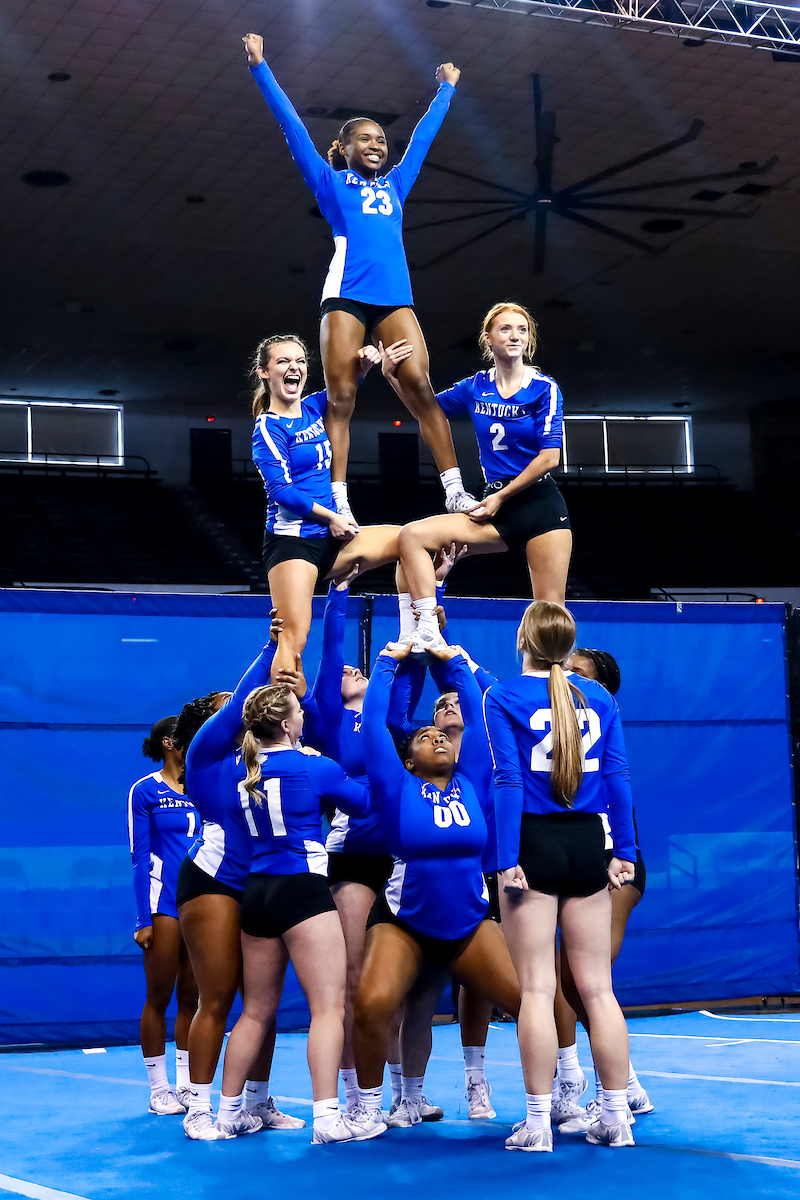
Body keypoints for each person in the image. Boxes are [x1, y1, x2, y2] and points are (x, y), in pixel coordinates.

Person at [242, 32, 474, 520]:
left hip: (394, 297)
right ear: (343, 147)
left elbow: (423, 139)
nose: (377, 144)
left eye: (381, 140)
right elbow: (291, 126)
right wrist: (261, 67)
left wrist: (446, 89)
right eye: (365, 138)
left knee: (420, 386)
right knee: (342, 395)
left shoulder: (396, 183)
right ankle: (340, 498)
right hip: (345, 295)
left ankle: (454, 490)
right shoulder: (329, 182)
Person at [483, 601, 637, 1151]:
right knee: (599, 989)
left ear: (523, 639)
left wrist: (504, 861)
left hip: (532, 841)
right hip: (586, 842)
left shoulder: (501, 695)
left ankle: (539, 1121)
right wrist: (625, 849)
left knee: (537, 989)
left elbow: (507, 782)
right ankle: (616, 1117)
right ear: (569, 648)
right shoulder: (598, 696)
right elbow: (617, 775)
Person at [352, 643, 521, 1135]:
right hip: (404, 922)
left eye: (443, 736)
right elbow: (377, 718)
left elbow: (478, 713)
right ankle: (367, 1108)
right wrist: (386, 661)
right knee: (372, 1004)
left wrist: (453, 663)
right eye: (425, 737)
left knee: (527, 1000)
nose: (438, 739)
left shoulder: (474, 777)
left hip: (467, 922)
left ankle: (556, 1098)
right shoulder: (394, 783)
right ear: (407, 758)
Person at [217, 683, 386, 1145]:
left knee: (254, 1012)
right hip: (302, 888)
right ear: (288, 723)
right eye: (299, 714)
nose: (305, 718)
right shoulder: (314, 766)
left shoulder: (241, 769)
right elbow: (367, 802)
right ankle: (328, 1120)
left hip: (257, 889)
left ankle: (229, 1112)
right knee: (328, 1008)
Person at [302, 570, 444, 1123]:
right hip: (355, 858)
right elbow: (331, 654)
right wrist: (337, 593)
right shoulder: (327, 719)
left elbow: (411, 658)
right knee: (358, 980)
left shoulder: (392, 718)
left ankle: (406, 1094)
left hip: (404, 857)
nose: (349, 670)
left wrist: (427, 593)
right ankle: (355, 1099)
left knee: (408, 988)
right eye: (341, 673)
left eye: (355, 669)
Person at [175, 633, 305, 1140]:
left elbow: (289, 712)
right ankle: (199, 1109)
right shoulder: (206, 759)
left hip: (259, 884)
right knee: (218, 995)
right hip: (212, 881)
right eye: (227, 707)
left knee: (261, 1002)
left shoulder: (269, 760)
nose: (237, 711)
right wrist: (275, 641)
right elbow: (242, 708)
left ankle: (256, 1101)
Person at [384, 302, 571, 651]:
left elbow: (549, 458)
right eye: (505, 329)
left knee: (550, 615)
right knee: (412, 538)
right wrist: (393, 377)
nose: (514, 335)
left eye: (522, 330)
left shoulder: (544, 388)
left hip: (538, 505)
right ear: (488, 338)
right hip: (494, 506)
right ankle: (419, 630)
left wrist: (500, 497)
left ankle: (556, 688)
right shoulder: (476, 386)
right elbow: (429, 413)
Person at [250, 333, 400, 680]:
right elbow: (281, 492)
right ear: (264, 372)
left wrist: (362, 368)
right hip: (294, 544)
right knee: (294, 636)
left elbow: (343, 393)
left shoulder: (314, 407)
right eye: (283, 361)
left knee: (409, 540)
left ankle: (420, 622)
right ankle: (276, 727)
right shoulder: (267, 428)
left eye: (300, 361)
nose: (294, 367)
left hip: (332, 537)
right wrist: (333, 516)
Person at [552, 647, 652, 1130]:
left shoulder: (599, 729)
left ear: (601, 691)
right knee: (567, 978)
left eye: (577, 673)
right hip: (574, 863)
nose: (565, 676)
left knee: (588, 981)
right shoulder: (546, 724)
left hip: (613, 865)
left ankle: (620, 1094)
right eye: (562, 668)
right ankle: (612, 1086)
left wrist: (624, 859)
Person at [127, 717, 199, 1115]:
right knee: (160, 996)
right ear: (171, 743)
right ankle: (159, 1089)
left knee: (193, 995)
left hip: (201, 901)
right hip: (163, 901)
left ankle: (188, 1085)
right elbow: (139, 856)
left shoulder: (203, 786)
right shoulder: (145, 790)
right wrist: (143, 918)